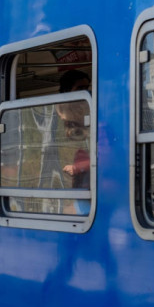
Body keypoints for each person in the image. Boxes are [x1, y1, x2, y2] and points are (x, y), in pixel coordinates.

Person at [56, 70, 92, 215]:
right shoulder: (57, 121)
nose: (86, 94)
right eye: (80, 89)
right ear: (67, 92)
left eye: (87, 89)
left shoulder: (91, 117)